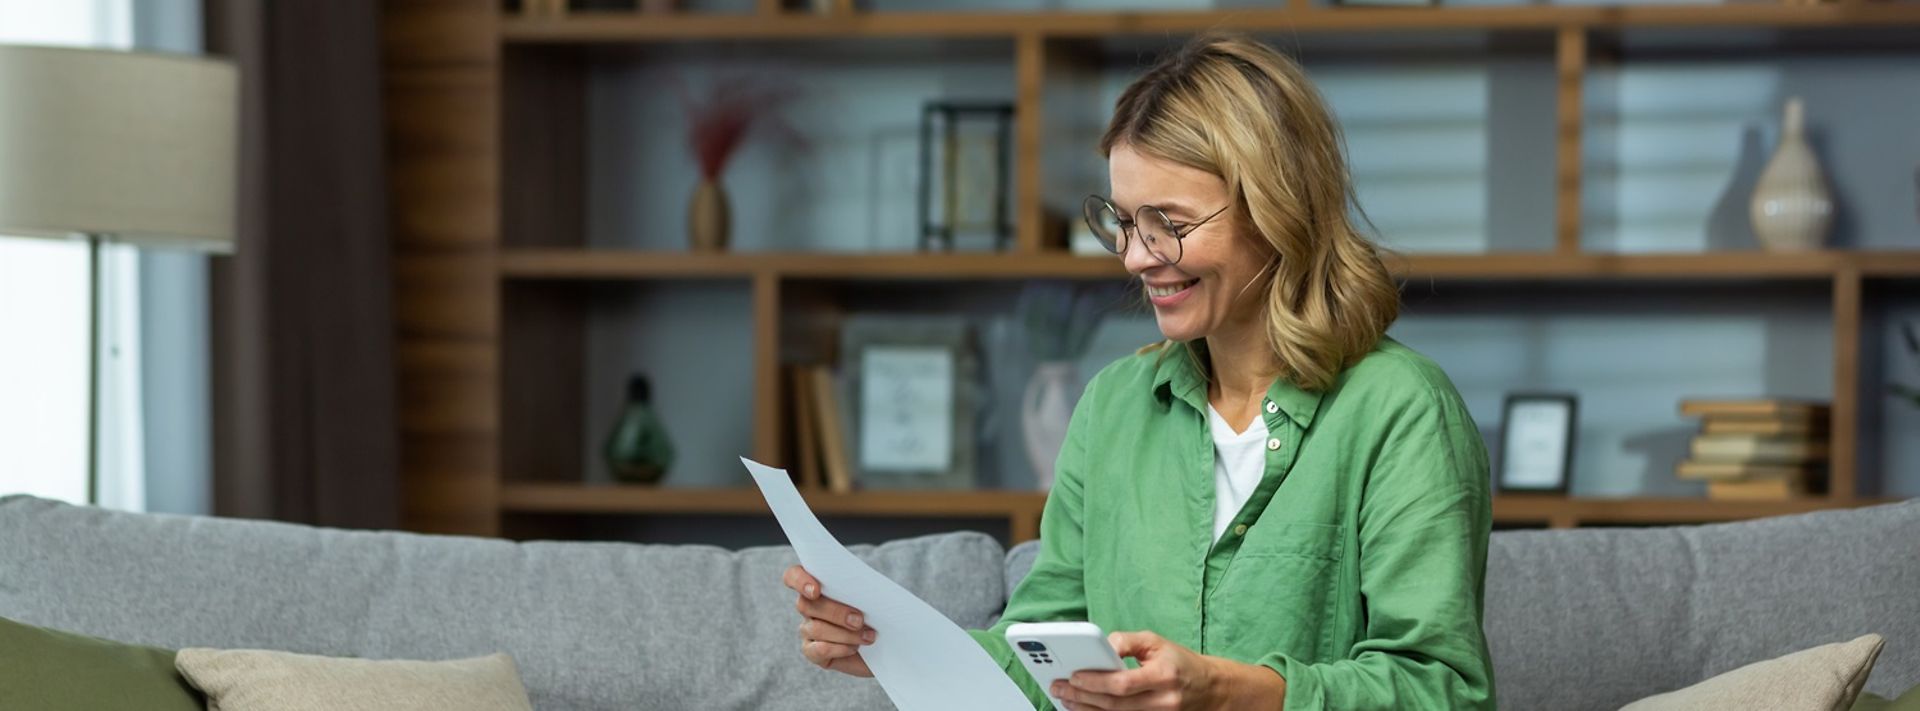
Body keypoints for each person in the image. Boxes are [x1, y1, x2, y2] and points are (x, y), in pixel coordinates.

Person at [783, 33, 1496, 710]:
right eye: (1124, 221)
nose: (1135, 257)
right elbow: (1042, 660)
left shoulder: (1401, 409)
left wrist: (1227, 692)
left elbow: (1442, 690)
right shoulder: (1113, 406)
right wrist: (893, 644)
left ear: (1276, 209)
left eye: (1169, 223)